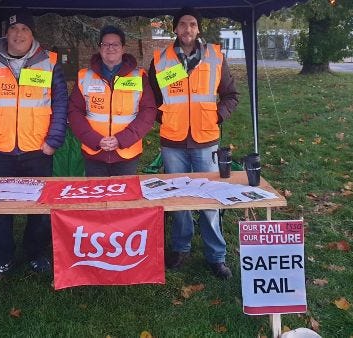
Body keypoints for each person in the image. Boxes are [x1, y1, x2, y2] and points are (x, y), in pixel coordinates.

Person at [0, 11, 68, 280]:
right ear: (5, 33)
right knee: (1, 209)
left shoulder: (49, 63)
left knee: (39, 208)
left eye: (24, 28)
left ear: (32, 34)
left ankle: (36, 253)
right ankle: (1, 258)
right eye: (14, 29)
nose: (19, 34)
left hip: (38, 150)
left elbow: (60, 104)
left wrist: (52, 143)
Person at [148, 7, 239, 279]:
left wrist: (216, 116)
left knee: (209, 198)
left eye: (193, 24)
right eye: (183, 25)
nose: (188, 29)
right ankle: (180, 249)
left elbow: (232, 95)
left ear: (198, 29)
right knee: (178, 198)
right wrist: (164, 118)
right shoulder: (161, 60)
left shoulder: (215, 57)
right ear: (175, 29)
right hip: (173, 140)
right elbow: (150, 100)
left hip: (205, 139)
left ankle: (216, 256)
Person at [68, 25, 157, 176]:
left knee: (123, 198)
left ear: (123, 48)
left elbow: (148, 112)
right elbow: (74, 111)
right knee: (96, 197)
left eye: (115, 44)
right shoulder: (85, 76)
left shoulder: (139, 77)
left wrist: (122, 139)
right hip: (94, 151)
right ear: (100, 48)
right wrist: (94, 139)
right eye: (105, 44)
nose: (110, 48)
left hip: (127, 153)